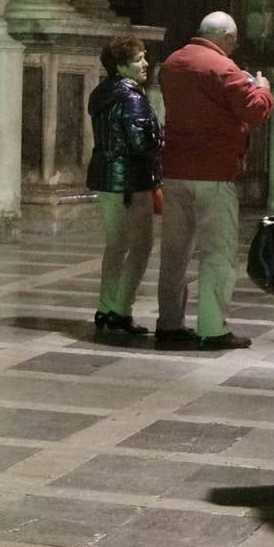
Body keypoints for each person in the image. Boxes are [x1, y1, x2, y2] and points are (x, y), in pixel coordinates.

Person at [155, 11, 273, 350]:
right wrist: (262, 88)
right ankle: (211, 327)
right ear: (227, 38)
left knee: (175, 252)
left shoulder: (173, 63)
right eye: (233, 42)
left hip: (175, 170)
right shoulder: (223, 68)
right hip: (214, 171)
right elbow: (254, 111)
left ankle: (169, 324)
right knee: (218, 252)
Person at [87, 35, 162, 336]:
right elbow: (144, 141)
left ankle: (106, 308)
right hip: (131, 181)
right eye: (138, 59)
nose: (145, 63)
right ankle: (121, 310)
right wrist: (162, 138)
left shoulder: (102, 93)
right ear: (121, 66)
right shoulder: (131, 97)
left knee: (116, 245)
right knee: (141, 245)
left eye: (144, 56)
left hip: (106, 178)